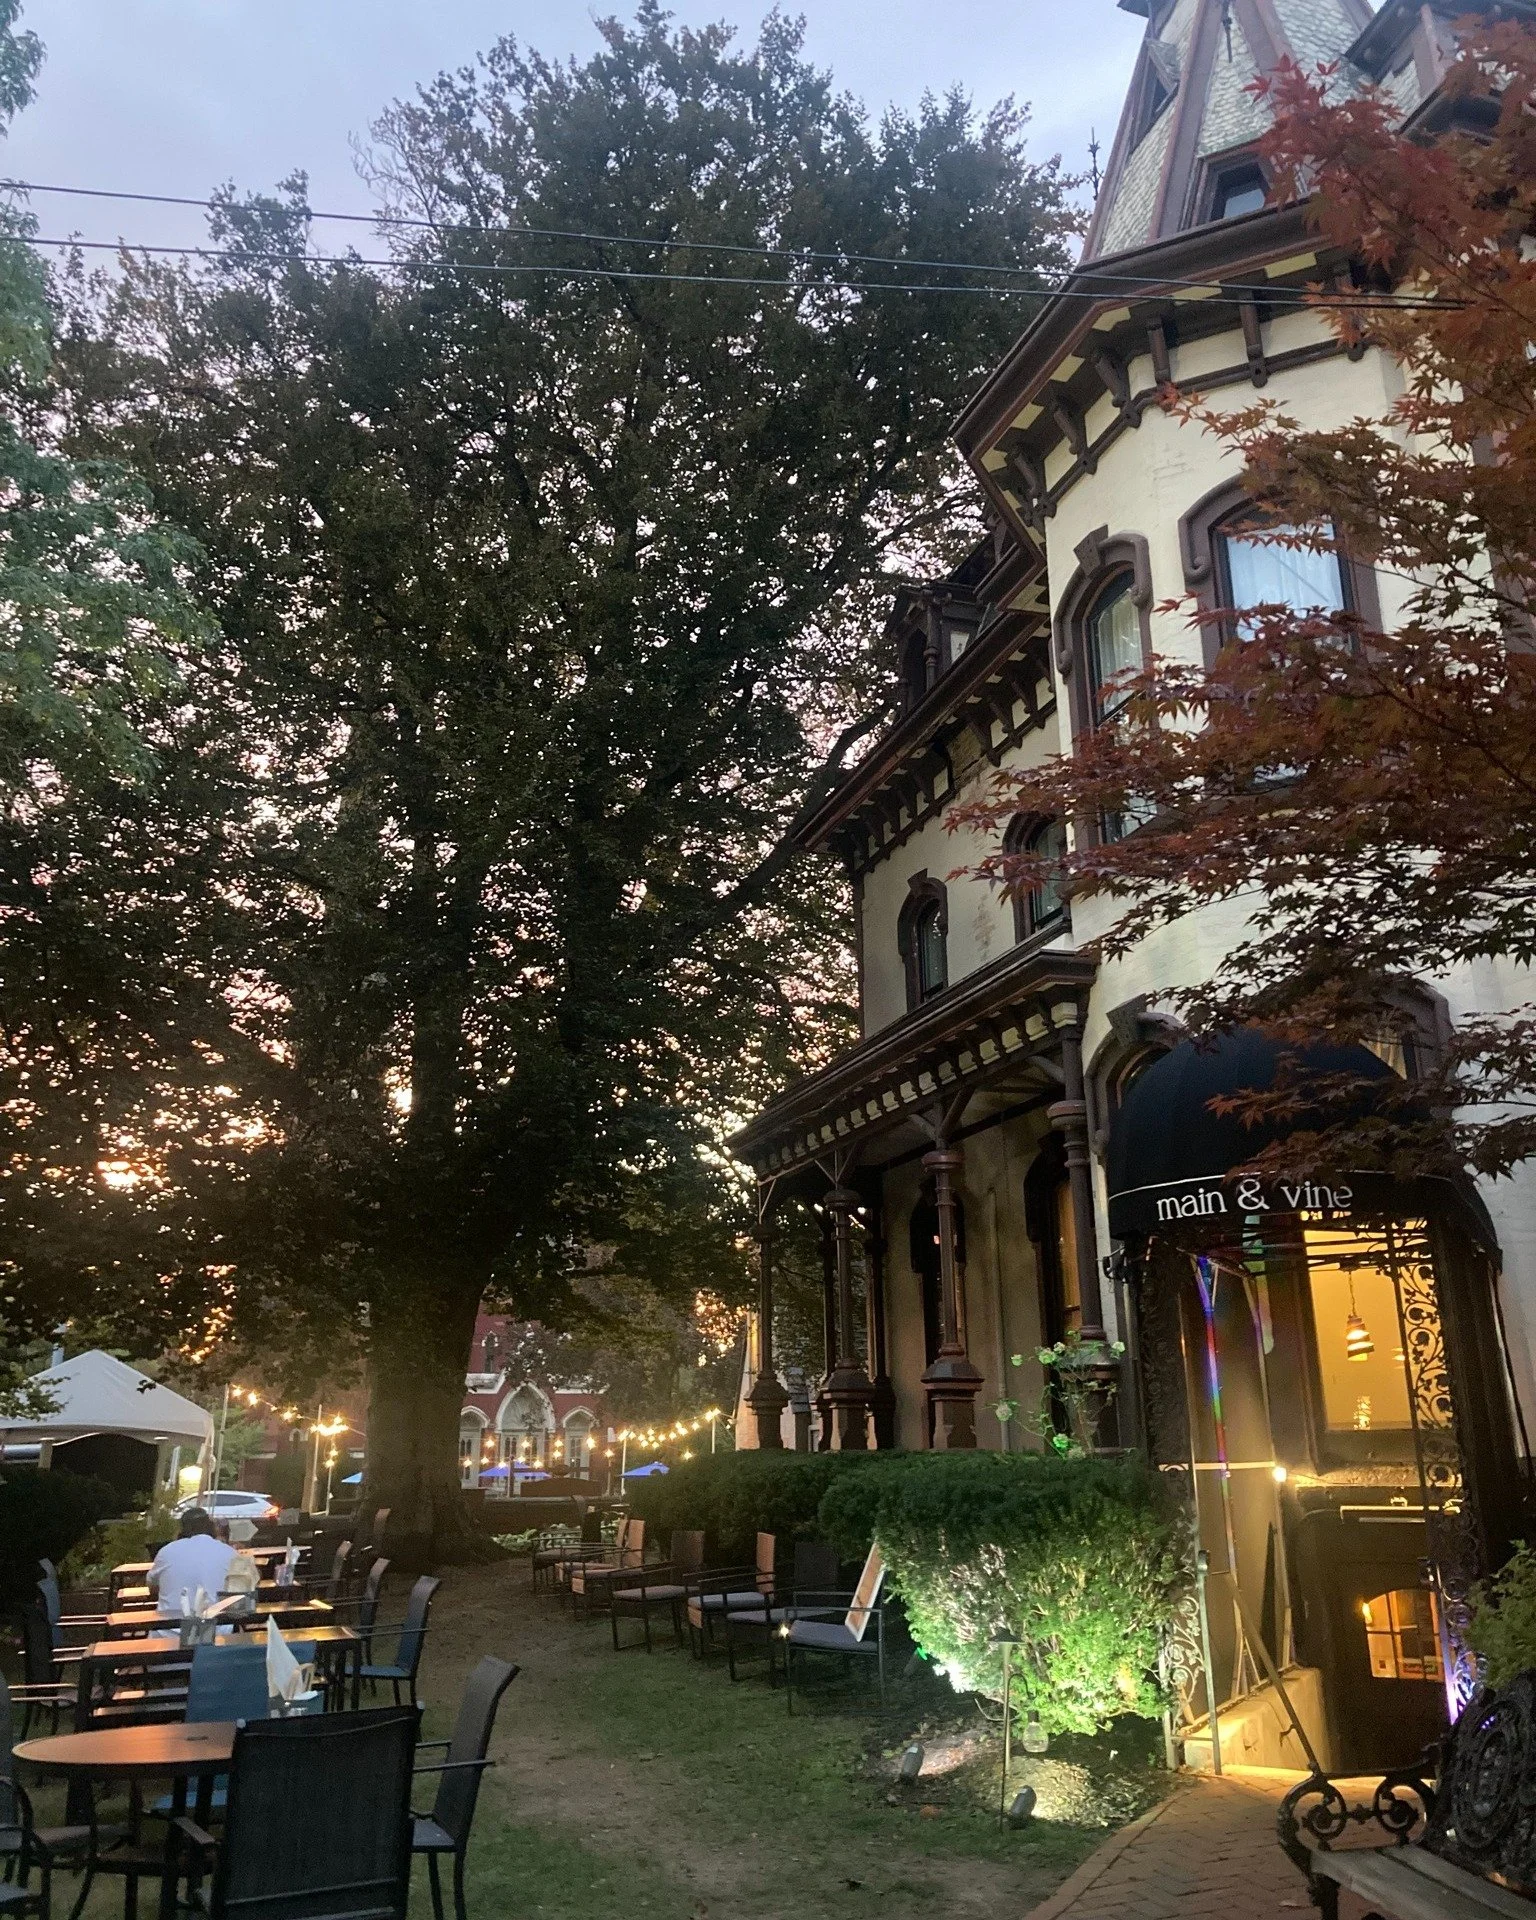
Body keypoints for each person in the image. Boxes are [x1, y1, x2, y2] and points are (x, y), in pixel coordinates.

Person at [149, 1508, 238, 1611]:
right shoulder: (229, 1552)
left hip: (170, 1624)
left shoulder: (166, 1552)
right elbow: (242, 1588)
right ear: (211, 1527)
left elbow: (153, 1586)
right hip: (217, 1624)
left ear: (182, 1529)